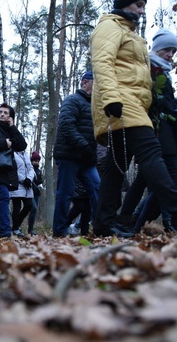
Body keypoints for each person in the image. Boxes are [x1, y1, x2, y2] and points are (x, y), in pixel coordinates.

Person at [90, 0, 177, 236]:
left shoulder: (131, 34)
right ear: (125, 3)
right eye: (138, 5)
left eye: (144, 7)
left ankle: (103, 223)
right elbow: (102, 61)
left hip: (134, 105)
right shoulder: (110, 25)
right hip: (122, 101)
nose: (141, 11)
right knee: (151, 154)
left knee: (115, 168)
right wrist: (111, 98)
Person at [117, 28, 177, 233]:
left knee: (151, 183)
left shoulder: (162, 70)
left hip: (166, 134)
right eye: (167, 49)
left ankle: (131, 224)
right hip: (158, 133)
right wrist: (175, 113)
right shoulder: (150, 68)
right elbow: (153, 101)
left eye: (173, 51)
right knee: (169, 180)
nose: (170, 55)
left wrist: (176, 113)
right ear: (157, 48)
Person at [52, 70, 100, 237]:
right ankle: (59, 231)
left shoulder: (96, 106)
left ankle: (102, 227)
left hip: (87, 159)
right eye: (96, 81)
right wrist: (85, 147)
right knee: (65, 193)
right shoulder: (72, 101)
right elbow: (66, 126)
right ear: (85, 82)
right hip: (69, 155)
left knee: (97, 188)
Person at [0, 103, 27, 238]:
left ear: (10, 116)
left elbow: (22, 145)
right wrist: (4, 143)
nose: (2, 114)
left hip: (7, 170)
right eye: (0, 112)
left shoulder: (10, 130)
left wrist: (12, 126)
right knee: (4, 196)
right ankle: (6, 231)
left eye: (5, 113)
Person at [9, 150, 35, 237]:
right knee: (17, 207)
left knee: (29, 205)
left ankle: (16, 225)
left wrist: (29, 179)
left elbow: (31, 168)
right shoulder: (12, 153)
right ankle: (16, 229)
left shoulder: (25, 154)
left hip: (27, 185)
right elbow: (13, 170)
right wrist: (23, 179)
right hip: (17, 185)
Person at [27, 151, 43, 236]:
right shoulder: (29, 169)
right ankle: (21, 227)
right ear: (31, 161)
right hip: (30, 192)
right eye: (35, 160)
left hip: (37, 193)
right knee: (33, 208)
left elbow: (40, 181)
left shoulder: (39, 171)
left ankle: (31, 229)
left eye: (38, 161)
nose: (36, 162)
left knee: (34, 210)